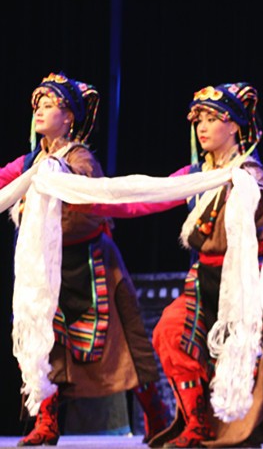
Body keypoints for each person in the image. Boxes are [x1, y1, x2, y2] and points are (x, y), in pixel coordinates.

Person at [78, 82, 263, 448]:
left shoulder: (250, 174)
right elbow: (145, 197)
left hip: (243, 284)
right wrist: (88, 201)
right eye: (198, 120)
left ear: (233, 126)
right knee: (169, 332)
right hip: (203, 279)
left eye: (212, 119)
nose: (202, 127)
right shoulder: (197, 175)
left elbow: (260, 218)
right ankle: (196, 422)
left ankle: (253, 424)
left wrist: (251, 196)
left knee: (256, 358)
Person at [3, 72, 168, 446]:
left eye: (50, 106)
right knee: (44, 339)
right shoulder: (32, 161)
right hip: (49, 268)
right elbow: (3, 180)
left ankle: (156, 414)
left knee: (129, 341)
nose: (39, 111)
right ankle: (46, 421)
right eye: (38, 105)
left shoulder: (79, 158)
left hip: (95, 264)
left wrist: (56, 170)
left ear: (69, 118)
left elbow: (84, 187)